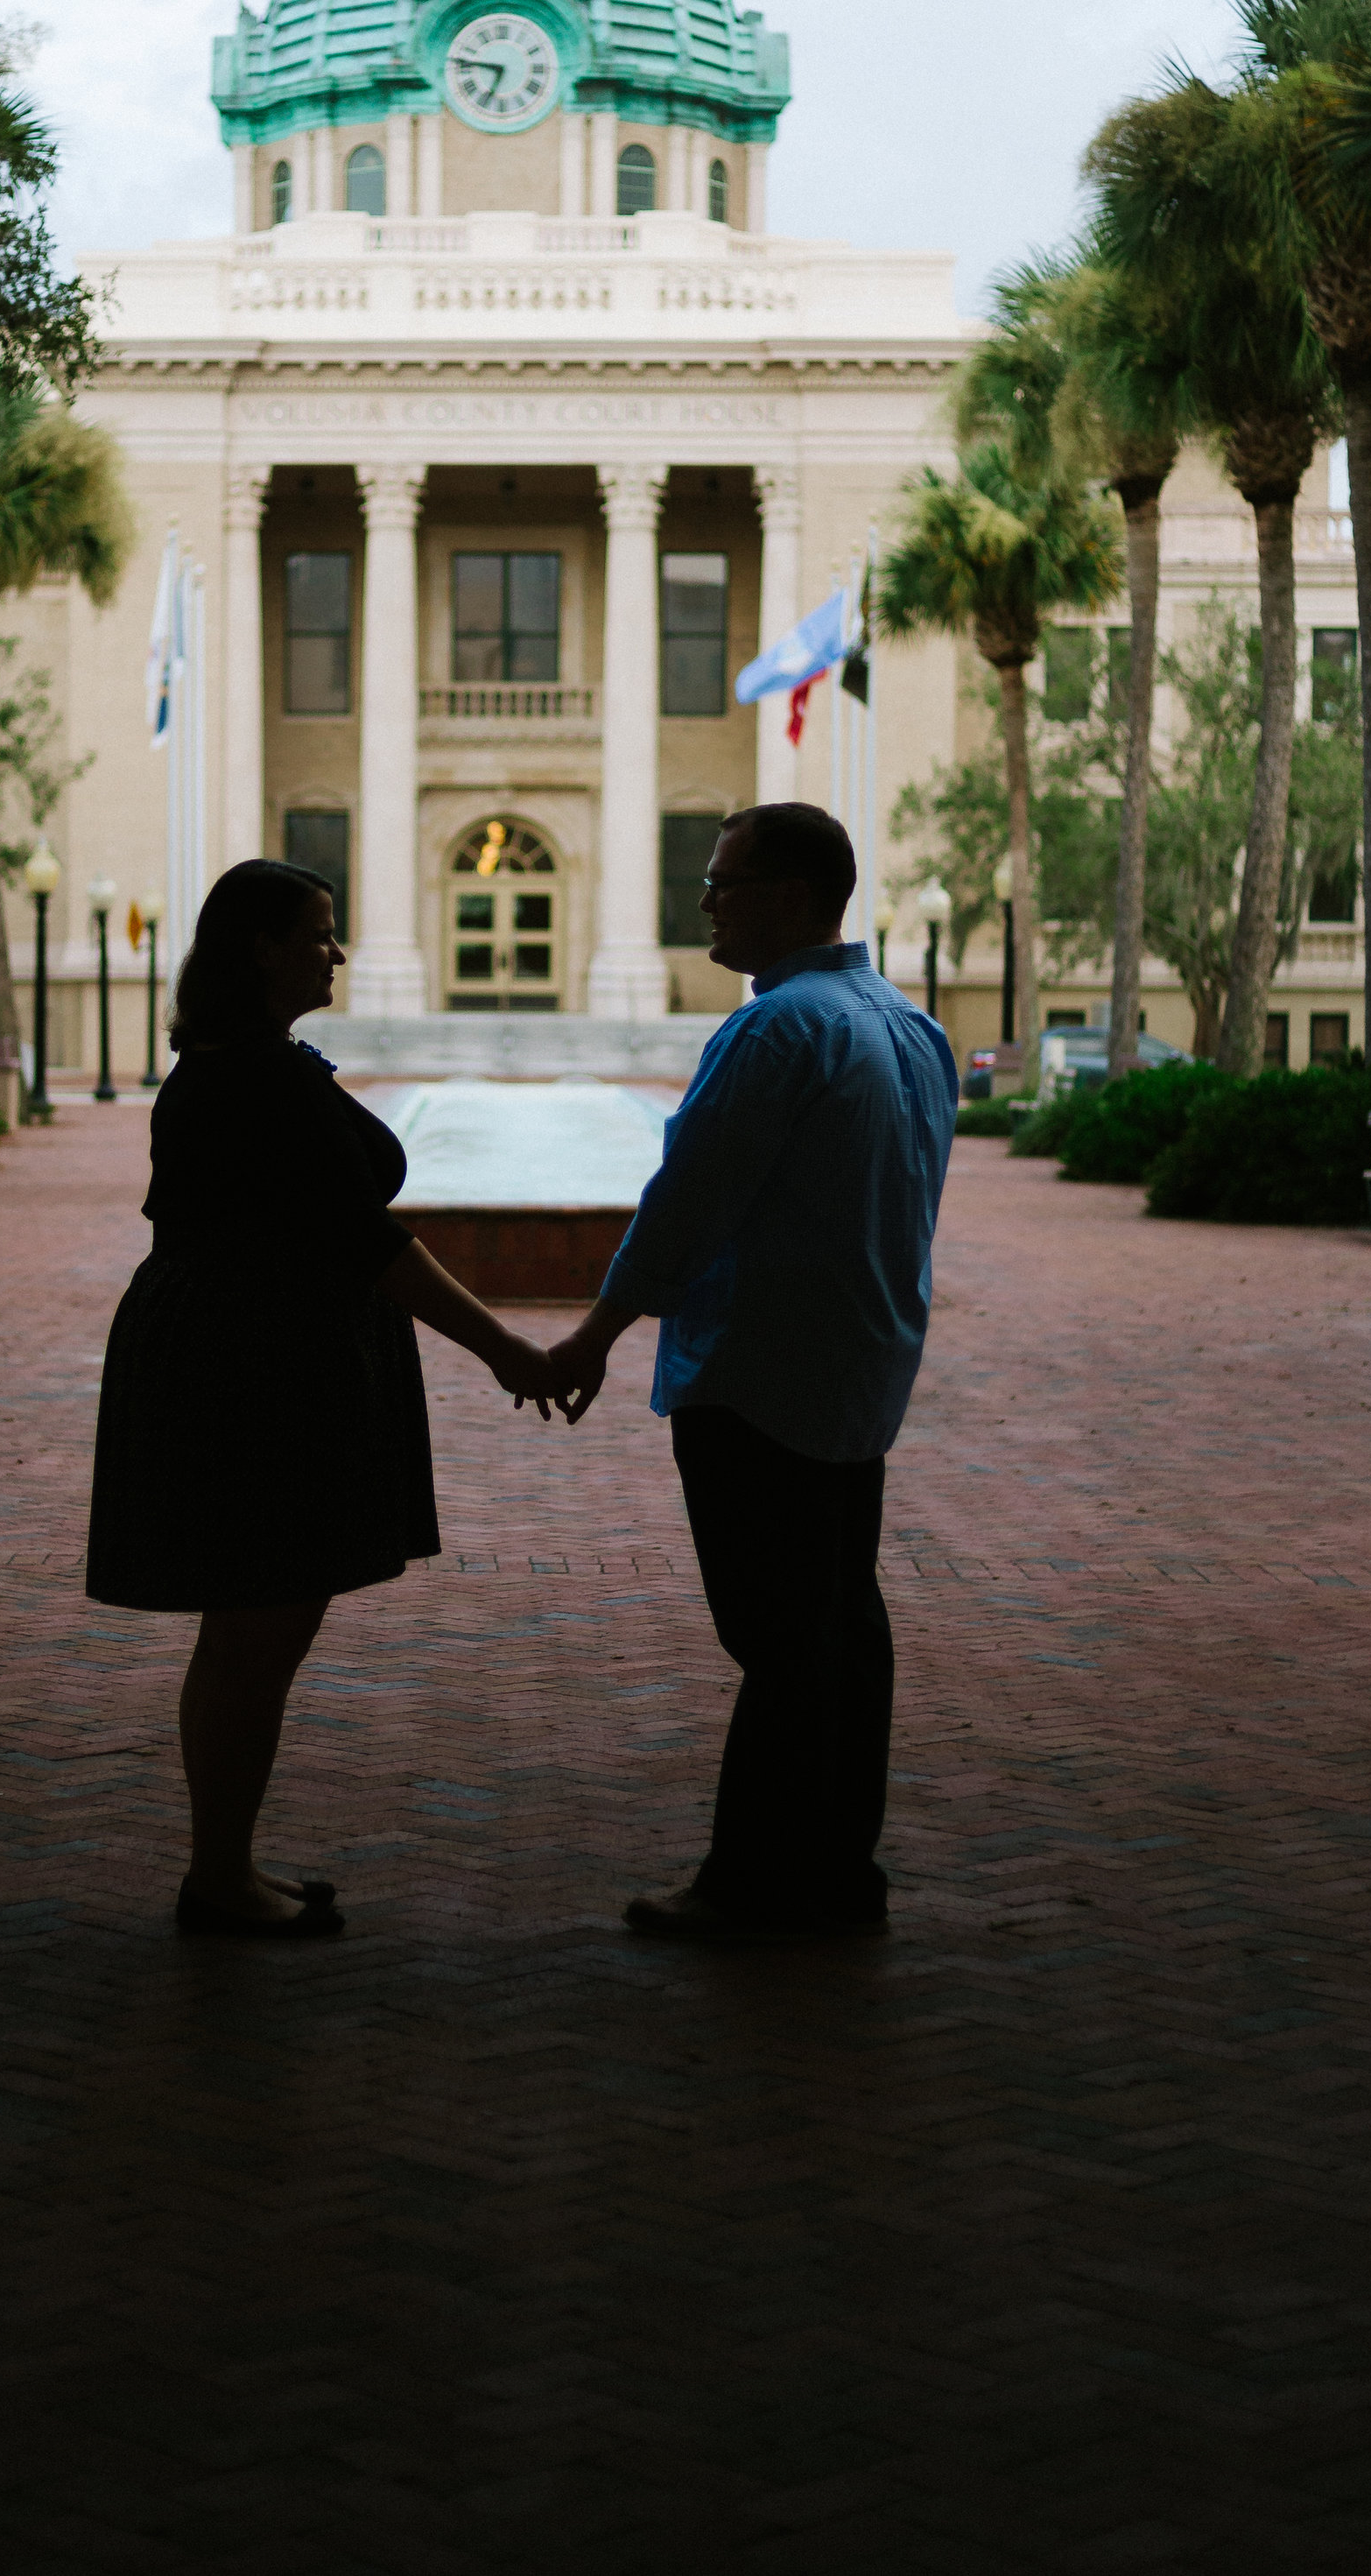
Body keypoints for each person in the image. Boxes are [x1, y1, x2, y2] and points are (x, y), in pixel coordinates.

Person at [88, 858, 557, 1939]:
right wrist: (504, 1350)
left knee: (249, 1623)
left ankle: (225, 1865)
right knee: (258, 1622)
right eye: (320, 930)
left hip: (243, 1351)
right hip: (253, 1370)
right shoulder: (256, 1077)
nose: (337, 950)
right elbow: (366, 1243)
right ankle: (219, 1879)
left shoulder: (247, 1062)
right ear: (261, 947)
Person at [548, 804, 957, 1944]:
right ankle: (840, 1868)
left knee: (778, 1633)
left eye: (720, 883)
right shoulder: (908, 1026)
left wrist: (596, 1332)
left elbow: (688, 1201)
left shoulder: (775, 1031)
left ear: (780, 894)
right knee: (841, 1620)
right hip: (860, 1370)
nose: (707, 902)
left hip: (758, 1377)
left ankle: (748, 1882)